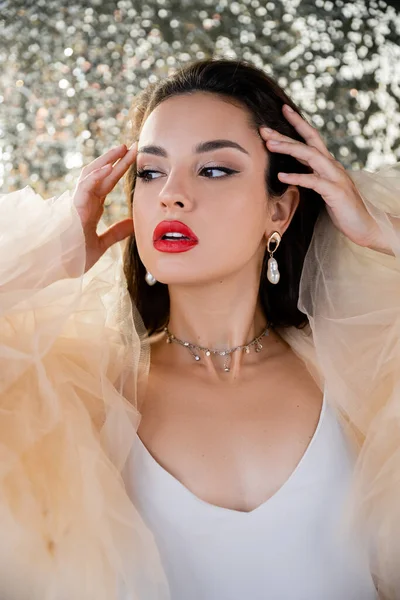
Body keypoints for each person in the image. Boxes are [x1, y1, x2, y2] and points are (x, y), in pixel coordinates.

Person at [0, 58, 399, 600]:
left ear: (279, 209)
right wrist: (47, 258)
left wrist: (383, 233)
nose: (171, 194)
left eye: (213, 170)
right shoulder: (82, 391)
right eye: (150, 172)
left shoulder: (367, 373)